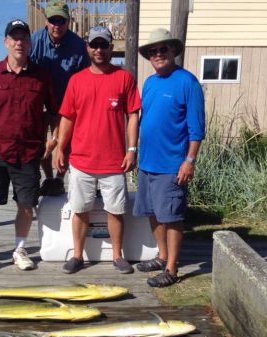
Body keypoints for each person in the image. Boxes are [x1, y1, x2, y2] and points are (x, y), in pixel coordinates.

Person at [0, 19, 58, 275]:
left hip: (29, 151)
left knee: (26, 205)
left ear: (30, 43)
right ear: (6, 42)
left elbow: (54, 113)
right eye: (14, 38)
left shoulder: (41, 76)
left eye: (24, 38)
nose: (19, 43)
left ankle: (19, 249)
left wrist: (53, 138)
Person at [55, 26, 141, 274]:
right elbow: (67, 118)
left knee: (115, 211)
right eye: (94, 45)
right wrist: (61, 148)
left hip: (114, 162)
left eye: (104, 45)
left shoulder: (124, 78)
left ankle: (117, 256)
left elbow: (133, 116)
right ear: (88, 48)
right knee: (80, 210)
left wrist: (132, 149)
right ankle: (78, 256)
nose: (99, 50)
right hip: (81, 161)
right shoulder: (76, 80)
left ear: (111, 48)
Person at [133, 28, 205, 287]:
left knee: (172, 217)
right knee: (153, 214)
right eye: (153, 51)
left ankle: (172, 269)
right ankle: (162, 257)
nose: (158, 54)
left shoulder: (187, 82)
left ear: (173, 50)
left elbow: (197, 128)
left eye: (163, 49)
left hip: (172, 166)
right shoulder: (150, 83)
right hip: (147, 164)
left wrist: (190, 161)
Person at [30, 0, 89, 194]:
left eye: (61, 21)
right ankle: (48, 178)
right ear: (46, 21)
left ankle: (59, 178)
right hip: (39, 104)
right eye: (53, 20)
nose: (57, 25)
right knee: (41, 145)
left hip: (66, 105)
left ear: (68, 22)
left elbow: (85, 78)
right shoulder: (34, 41)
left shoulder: (79, 45)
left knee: (64, 143)